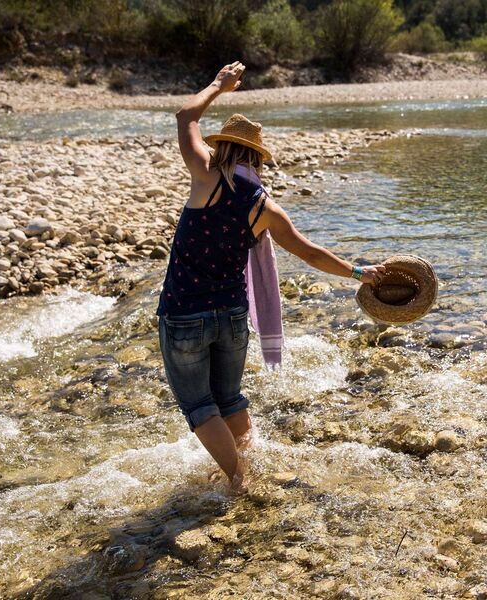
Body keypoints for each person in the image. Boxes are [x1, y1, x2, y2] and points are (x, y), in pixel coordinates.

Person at [156, 61, 385, 494]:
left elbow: (186, 117)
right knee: (230, 399)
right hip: (232, 317)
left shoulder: (205, 175)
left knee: (200, 405)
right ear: (256, 159)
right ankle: (249, 467)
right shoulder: (266, 208)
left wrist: (218, 85)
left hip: (185, 313)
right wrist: (359, 272)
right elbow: (310, 252)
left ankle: (240, 481)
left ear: (222, 147)